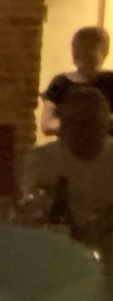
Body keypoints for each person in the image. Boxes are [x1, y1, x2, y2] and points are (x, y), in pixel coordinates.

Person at [20, 86, 113, 243]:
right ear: (62, 126)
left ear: (106, 125)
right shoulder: (43, 159)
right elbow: (33, 211)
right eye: (78, 123)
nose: (85, 131)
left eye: (92, 123)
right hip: (57, 246)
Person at [39, 26, 113, 138]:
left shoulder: (110, 81)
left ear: (104, 52)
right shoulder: (58, 83)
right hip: (69, 147)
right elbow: (47, 124)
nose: (82, 55)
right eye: (79, 49)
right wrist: (76, 124)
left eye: (89, 49)